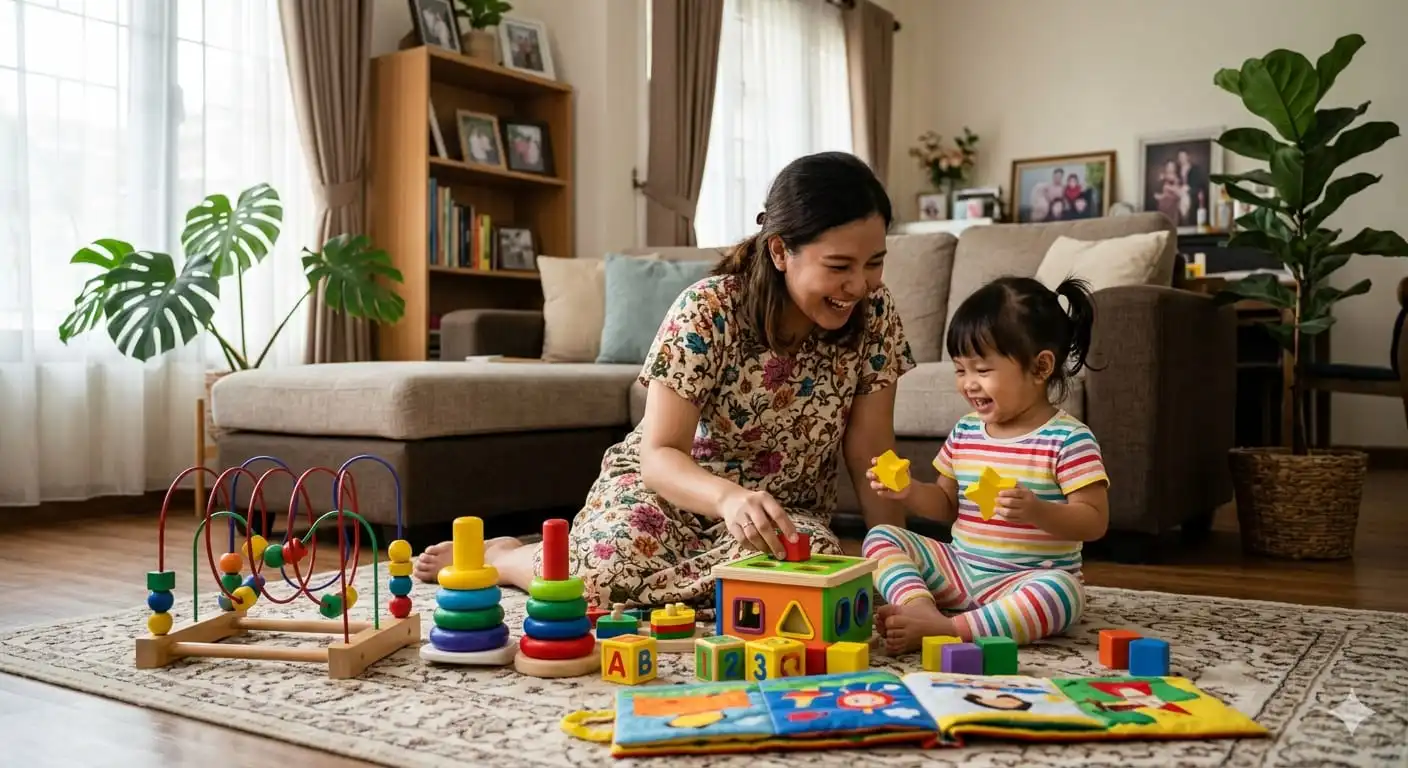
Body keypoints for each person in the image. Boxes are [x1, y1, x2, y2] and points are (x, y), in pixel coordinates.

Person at [413, 151, 916, 611]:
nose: (860, 285)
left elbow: (871, 456)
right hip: (669, 494)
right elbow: (660, 455)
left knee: (814, 570)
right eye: (839, 266)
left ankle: (687, 586)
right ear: (781, 251)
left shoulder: (875, 314)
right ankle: (507, 558)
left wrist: (898, 568)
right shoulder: (708, 309)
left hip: (777, 512)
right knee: (596, 578)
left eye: (874, 263)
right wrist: (727, 497)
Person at [861, 275, 1109, 655]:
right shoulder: (965, 431)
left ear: (1041, 367)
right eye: (961, 370)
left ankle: (950, 628)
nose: (968, 384)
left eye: (983, 370)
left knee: (1063, 594)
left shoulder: (1069, 439)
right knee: (882, 536)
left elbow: (1094, 521)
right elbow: (945, 506)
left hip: (1025, 579)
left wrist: (1036, 510)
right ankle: (920, 610)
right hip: (961, 569)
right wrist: (909, 492)